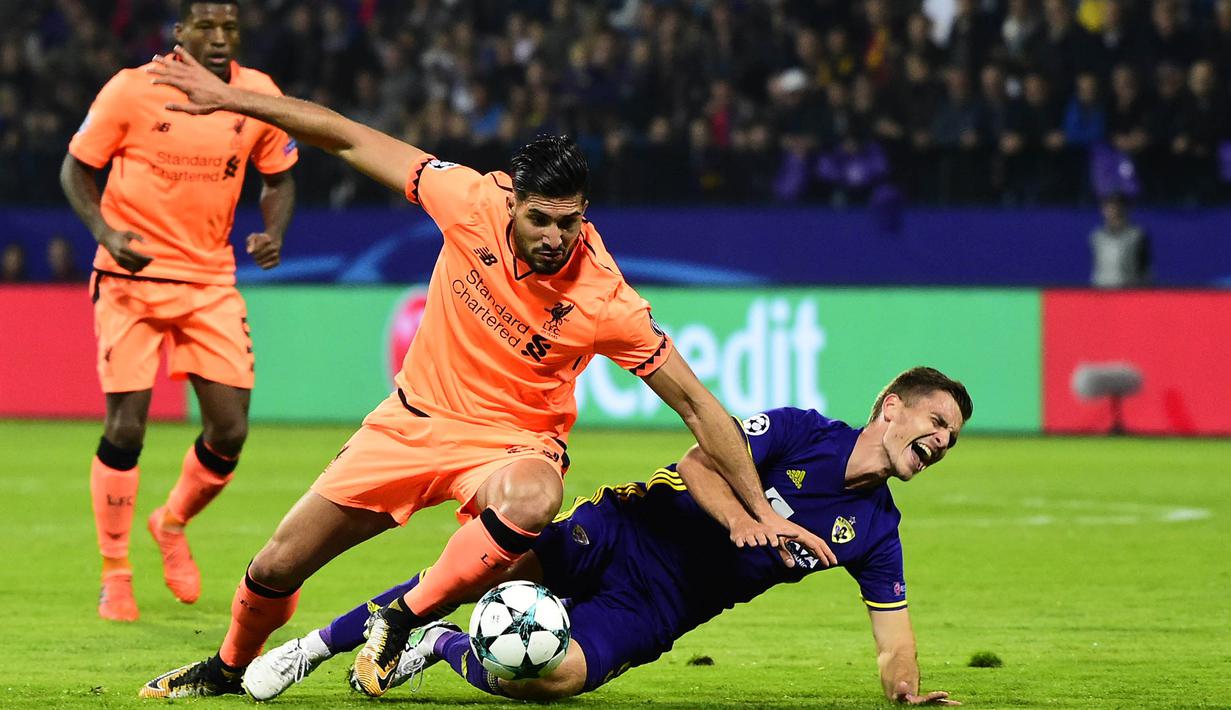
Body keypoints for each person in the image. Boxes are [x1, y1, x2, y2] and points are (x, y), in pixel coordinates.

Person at [139, 45, 831, 699]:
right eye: (539, 220)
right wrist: (232, 97)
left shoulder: (605, 302)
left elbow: (699, 407)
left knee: (536, 495)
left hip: (511, 445)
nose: (555, 238)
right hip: (410, 422)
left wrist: (762, 513)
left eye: (569, 222)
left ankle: (405, 619)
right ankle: (228, 668)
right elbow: (346, 137)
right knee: (274, 568)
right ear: (510, 204)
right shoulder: (466, 199)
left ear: (583, 212)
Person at [243, 366, 972, 706]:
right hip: (624, 529)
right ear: (889, 408)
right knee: (480, 570)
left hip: (662, 607)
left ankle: (441, 646)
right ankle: (311, 648)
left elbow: (893, 638)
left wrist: (906, 696)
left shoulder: (877, 530)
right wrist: (757, 521)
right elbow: (697, 464)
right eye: (934, 423)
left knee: (547, 680)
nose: (940, 442)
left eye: (951, 438)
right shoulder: (800, 431)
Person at [59, 0, 297, 623]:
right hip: (129, 278)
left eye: (230, 29)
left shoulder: (256, 94)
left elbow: (279, 175)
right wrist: (106, 234)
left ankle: (171, 522)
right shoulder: (132, 91)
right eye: (207, 27)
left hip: (210, 279)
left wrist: (274, 230)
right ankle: (115, 572)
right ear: (181, 32)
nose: (219, 38)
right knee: (127, 429)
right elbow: (76, 170)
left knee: (230, 429)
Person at [1089, 194, 1151, 288]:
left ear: (1125, 209)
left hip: (1128, 290)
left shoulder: (1136, 236)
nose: (1114, 211)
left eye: (1117, 207)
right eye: (1109, 207)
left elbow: (1144, 267)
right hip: (1101, 290)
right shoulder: (1096, 236)